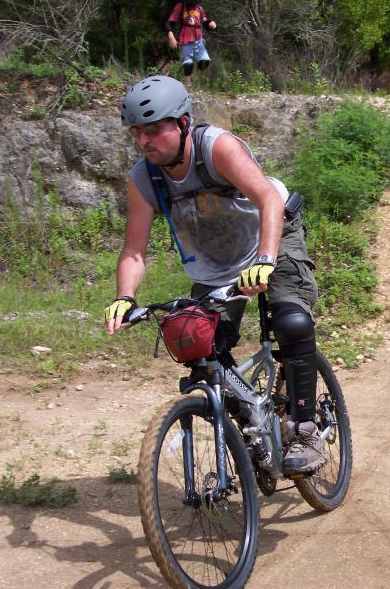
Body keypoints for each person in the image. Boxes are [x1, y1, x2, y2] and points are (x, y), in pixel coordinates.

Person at [105, 75, 324, 475]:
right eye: (137, 132)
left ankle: (305, 429)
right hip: (217, 265)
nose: (144, 141)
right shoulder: (144, 178)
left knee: (291, 321)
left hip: (273, 233)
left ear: (183, 123)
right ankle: (253, 426)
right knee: (196, 340)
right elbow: (134, 250)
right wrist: (125, 296)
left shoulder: (217, 147)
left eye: (154, 129)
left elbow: (268, 199)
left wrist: (266, 258)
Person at [165, 0, 216, 87]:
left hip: (198, 39)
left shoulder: (199, 9)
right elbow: (169, 23)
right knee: (188, 63)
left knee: (205, 61)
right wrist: (171, 36)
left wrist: (211, 24)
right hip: (186, 38)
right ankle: (188, 85)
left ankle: (196, 80)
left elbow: (205, 22)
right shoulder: (180, 7)